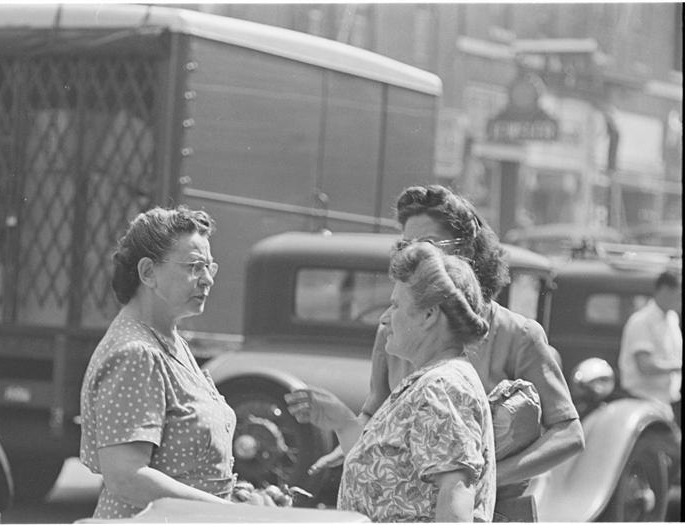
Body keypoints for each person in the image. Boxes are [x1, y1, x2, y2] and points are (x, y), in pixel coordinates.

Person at [308, 185, 584, 499]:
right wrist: (348, 436)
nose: (414, 256)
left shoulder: (519, 334)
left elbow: (569, 434)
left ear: (465, 252)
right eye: (405, 245)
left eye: (427, 244)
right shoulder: (391, 330)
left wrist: (487, 480)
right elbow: (375, 414)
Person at [287, 240, 496, 521]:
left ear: (429, 315)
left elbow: (455, 495)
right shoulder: (434, 381)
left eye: (396, 305)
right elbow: (390, 471)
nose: (384, 318)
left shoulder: (442, 387)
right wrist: (343, 423)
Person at [79, 206, 236, 519]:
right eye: (194, 267)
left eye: (209, 267)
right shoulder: (136, 353)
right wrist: (234, 515)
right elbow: (126, 477)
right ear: (148, 272)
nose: (207, 279)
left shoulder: (168, 340)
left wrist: (239, 498)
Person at [618, 269, 682, 422]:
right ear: (665, 290)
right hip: (642, 401)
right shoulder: (641, 321)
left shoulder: (672, 319)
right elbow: (645, 366)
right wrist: (678, 366)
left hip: (666, 401)